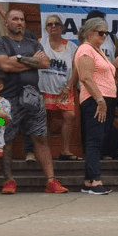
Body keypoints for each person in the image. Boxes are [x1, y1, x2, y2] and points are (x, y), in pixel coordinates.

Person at [0, 8, 67, 194]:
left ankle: (51, 181)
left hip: (34, 99)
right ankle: (9, 181)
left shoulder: (34, 43)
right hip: (4, 101)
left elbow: (45, 63)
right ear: (6, 23)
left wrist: (19, 60)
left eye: (22, 19)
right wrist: (31, 62)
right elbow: (4, 65)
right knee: (6, 139)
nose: (20, 22)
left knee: (40, 138)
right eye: (15, 19)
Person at [75, 17, 118, 195]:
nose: (104, 36)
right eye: (100, 32)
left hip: (105, 98)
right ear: (89, 33)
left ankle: (89, 180)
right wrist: (100, 101)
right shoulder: (86, 49)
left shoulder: (97, 50)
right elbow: (85, 77)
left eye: (106, 33)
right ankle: (94, 180)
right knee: (94, 140)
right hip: (96, 99)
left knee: (99, 139)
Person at [40, 14, 79, 160]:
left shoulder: (71, 47)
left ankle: (66, 150)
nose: (53, 26)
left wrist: (69, 86)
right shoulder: (40, 44)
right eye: (50, 24)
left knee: (69, 116)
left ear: (62, 27)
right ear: (46, 28)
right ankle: (45, 151)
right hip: (44, 88)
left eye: (56, 24)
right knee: (46, 120)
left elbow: (76, 70)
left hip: (64, 88)